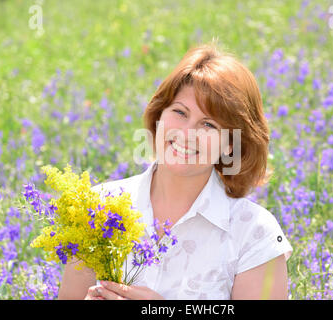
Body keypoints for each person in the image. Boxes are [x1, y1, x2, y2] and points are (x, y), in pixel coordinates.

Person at [58, 41, 293, 300]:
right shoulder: (99, 207)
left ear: (231, 143)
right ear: (159, 115)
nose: (186, 133)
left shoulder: (254, 233)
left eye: (208, 124)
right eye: (180, 112)